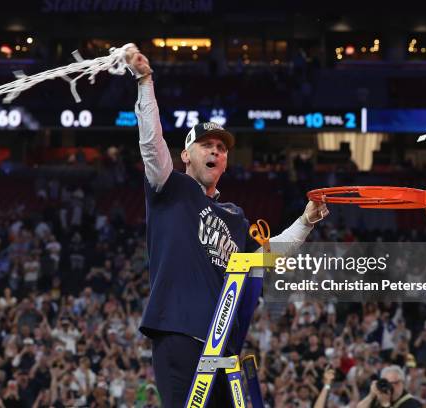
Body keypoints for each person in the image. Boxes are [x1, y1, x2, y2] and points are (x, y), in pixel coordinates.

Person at [127, 47, 329, 407]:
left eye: (221, 147)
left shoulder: (235, 216)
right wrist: (145, 82)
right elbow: (151, 145)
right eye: (206, 144)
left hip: (223, 345)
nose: (215, 151)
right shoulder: (171, 187)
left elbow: (265, 259)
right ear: (186, 155)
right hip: (177, 329)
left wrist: (305, 222)